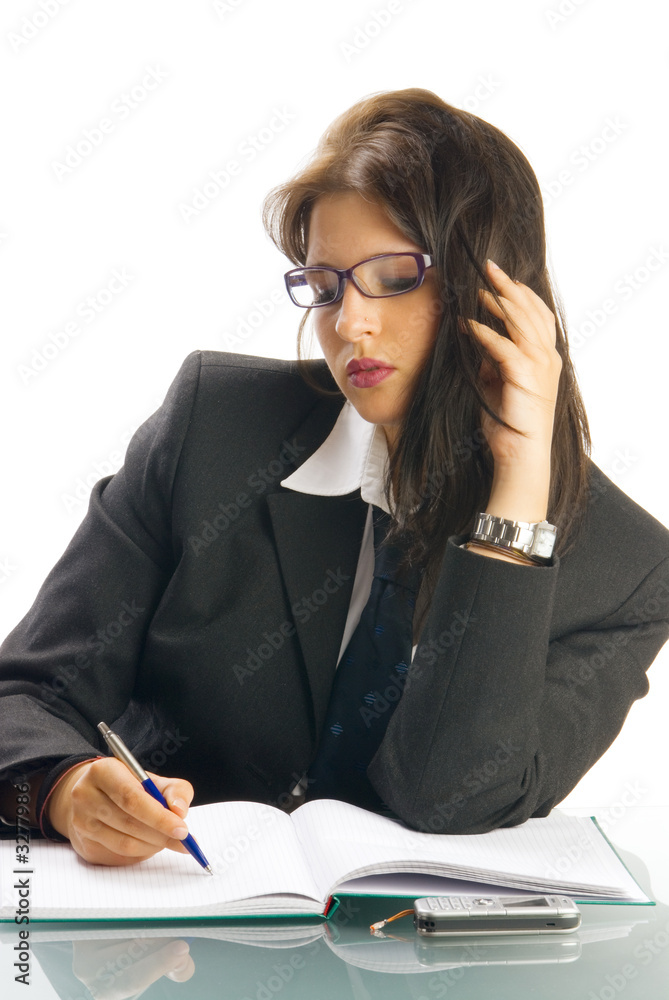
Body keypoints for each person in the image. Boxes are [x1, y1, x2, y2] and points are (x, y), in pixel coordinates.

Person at [1, 88, 668, 868]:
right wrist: (63, 788)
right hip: (176, 916)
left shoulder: (626, 573)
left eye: (392, 276)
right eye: (325, 284)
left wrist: (517, 491)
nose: (349, 324)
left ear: (497, 293)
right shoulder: (214, 428)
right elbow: (26, 697)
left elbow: (446, 799)